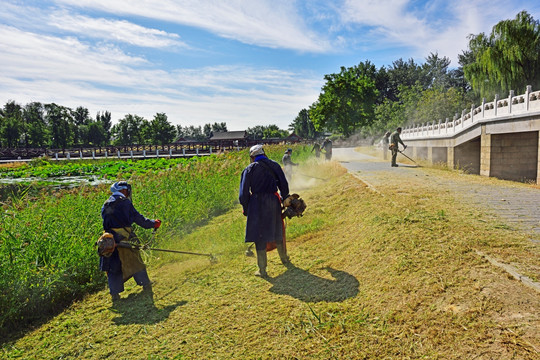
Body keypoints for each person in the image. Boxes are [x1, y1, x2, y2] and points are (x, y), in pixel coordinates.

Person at [100, 181, 161, 302]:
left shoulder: (106, 204)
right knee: (135, 261)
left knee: (113, 266)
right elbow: (139, 219)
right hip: (124, 238)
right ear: (124, 190)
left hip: (109, 240)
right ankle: (145, 284)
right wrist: (153, 223)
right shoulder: (125, 203)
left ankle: (115, 295)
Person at [239, 145, 290, 277]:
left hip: (256, 204)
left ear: (252, 157)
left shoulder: (249, 169)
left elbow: (243, 194)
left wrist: (246, 208)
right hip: (273, 201)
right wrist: (284, 198)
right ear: (264, 154)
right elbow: (283, 184)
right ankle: (284, 259)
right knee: (277, 229)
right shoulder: (274, 165)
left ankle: (262, 270)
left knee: (259, 236)